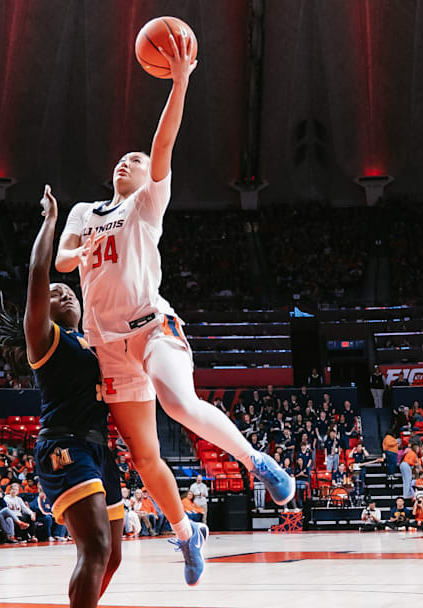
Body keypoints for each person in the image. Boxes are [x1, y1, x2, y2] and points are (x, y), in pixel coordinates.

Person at [53, 24, 291, 586]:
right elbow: (62, 261)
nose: (126, 161)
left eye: (133, 159)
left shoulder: (146, 203)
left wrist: (178, 82)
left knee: (180, 403)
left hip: (151, 326)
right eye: (121, 158)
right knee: (144, 456)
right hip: (107, 347)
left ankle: (258, 462)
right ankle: (188, 533)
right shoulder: (86, 212)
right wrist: (79, 245)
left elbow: (163, 145)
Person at [0, 186, 125, 606]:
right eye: (57, 293)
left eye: (70, 291)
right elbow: (39, 274)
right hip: (65, 446)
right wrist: (50, 221)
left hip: (100, 450)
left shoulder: (91, 341)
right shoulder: (45, 340)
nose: (65, 292)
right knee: (95, 548)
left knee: (113, 556)